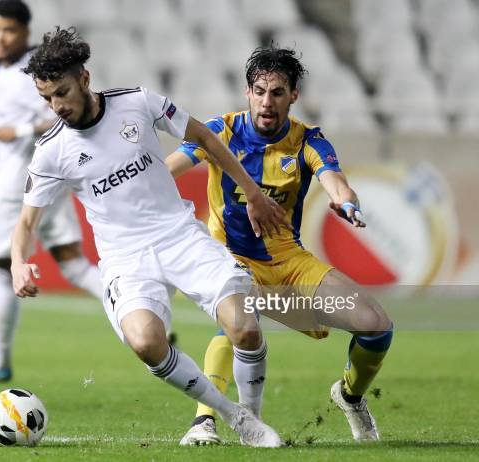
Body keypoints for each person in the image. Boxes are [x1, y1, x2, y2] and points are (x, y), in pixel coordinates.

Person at [11, 26, 292, 447]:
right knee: (145, 342)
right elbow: (26, 223)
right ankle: (232, 415)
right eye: (47, 98)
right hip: (125, 259)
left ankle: (253, 417)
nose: (57, 107)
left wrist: (252, 192)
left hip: (179, 235)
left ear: (84, 79)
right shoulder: (53, 150)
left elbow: (204, 137)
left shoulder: (137, 102)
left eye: (62, 93)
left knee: (245, 328)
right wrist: (18, 262)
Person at [166, 45, 394, 445]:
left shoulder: (308, 140)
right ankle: (204, 421)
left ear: (293, 96)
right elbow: (170, 169)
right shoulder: (221, 131)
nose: (266, 102)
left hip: (289, 263)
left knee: (376, 326)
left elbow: (336, 182)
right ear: (247, 92)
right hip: (230, 257)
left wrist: (346, 202)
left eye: (277, 92)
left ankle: (349, 396)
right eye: (259, 91)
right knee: (238, 321)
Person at [0, 1, 103, 382]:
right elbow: (1, 107)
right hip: (49, 178)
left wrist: (16, 132)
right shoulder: (11, 70)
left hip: (18, 183)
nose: (0, 37)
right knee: (72, 262)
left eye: (8, 30)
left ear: (24, 32)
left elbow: (60, 114)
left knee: (4, 270)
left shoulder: (33, 73)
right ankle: (138, 310)